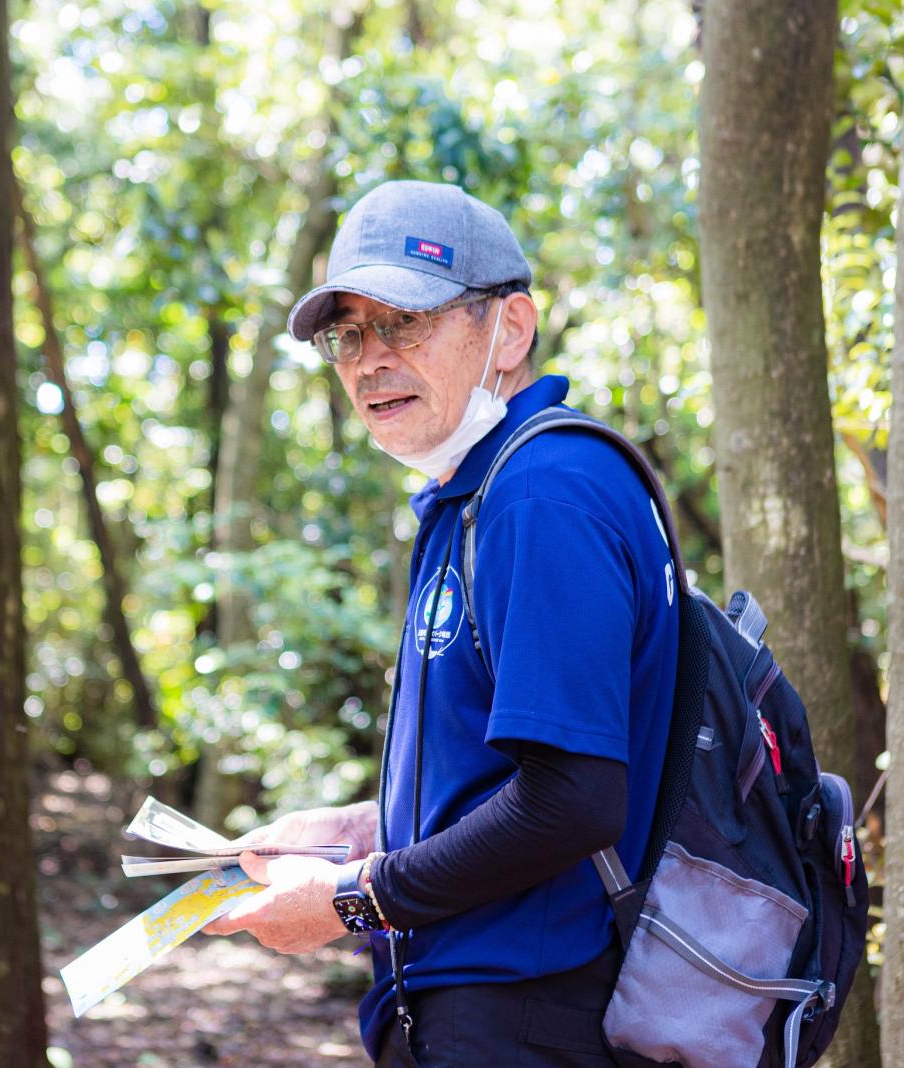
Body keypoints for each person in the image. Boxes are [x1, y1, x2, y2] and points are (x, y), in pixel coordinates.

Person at [203, 179, 679, 1067]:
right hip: (481, 1011)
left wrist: (352, 898)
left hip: (532, 1017)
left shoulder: (544, 492)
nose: (369, 360)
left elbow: (573, 803)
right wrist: (362, 826)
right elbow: (504, 776)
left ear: (509, 329)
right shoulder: (479, 491)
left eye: (406, 322)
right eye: (349, 334)